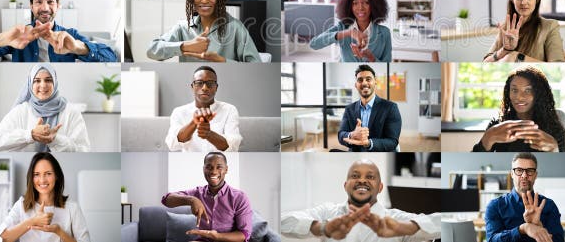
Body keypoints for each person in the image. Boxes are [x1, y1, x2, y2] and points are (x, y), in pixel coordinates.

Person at [281, 159, 440, 241]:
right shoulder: (327, 212)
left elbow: (449, 221)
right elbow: (281, 221)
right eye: (355, 176)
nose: (362, 180)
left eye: (370, 177)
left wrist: (408, 228)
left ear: (380, 187)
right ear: (345, 185)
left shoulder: (396, 219)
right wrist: (321, 228)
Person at [147, 0, 261, 62]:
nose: (204, 0)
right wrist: (185, 46)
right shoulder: (183, 27)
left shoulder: (236, 28)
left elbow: (256, 67)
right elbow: (152, 50)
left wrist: (223, 61)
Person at [0, 63, 91, 152]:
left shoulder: (71, 112)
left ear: (55, 83)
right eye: (37, 81)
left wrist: (55, 140)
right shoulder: (21, 111)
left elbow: (83, 150)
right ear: (30, 84)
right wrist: (30, 135)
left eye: (48, 80)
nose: (43, 85)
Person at [0, 153, 90, 242]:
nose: (42, 180)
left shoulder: (72, 208)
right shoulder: (22, 205)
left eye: (48, 174)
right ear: (31, 178)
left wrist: (59, 231)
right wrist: (33, 221)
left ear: (56, 176)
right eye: (36, 174)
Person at [161, 152, 253, 241]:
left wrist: (217, 236)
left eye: (219, 167)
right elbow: (166, 199)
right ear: (203, 169)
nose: (213, 171)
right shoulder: (197, 193)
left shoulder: (239, 197)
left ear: (226, 169)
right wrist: (192, 200)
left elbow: (244, 234)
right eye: (209, 167)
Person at [472, 66, 565, 152]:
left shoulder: (554, 126)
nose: (519, 97)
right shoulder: (498, 125)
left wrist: (554, 149)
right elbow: (476, 164)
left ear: (539, 93)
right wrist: (488, 138)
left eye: (528, 90)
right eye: (514, 90)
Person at [483, 0, 565, 62]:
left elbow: (557, 64)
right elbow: (485, 62)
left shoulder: (550, 26)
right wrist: (505, 50)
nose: (523, 2)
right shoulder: (505, 27)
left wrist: (517, 57)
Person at [485, 153, 564, 242]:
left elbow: (559, 240)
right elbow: (491, 240)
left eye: (530, 170)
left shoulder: (549, 205)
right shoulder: (495, 206)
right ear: (512, 174)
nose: (524, 175)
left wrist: (539, 225)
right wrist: (523, 229)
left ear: (535, 175)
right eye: (519, 170)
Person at [165, 66, 242, 152]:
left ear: (216, 87)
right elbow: (172, 144)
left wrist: (209, 134)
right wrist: (194, 122)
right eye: (199, 83)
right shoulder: (179, 112)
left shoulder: (229, 110)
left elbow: (233, 147)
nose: (205, 87)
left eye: (210, 83)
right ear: (192, 86)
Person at [309, 0, 392, 62]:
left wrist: (371, 57)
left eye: (366, 2)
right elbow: (314, 44)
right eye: (355, 3)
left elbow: (387, 64)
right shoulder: (342, 27)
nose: (360, 8)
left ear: (374, 5)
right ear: (349, 6)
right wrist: (349, 33)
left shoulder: (385, 33)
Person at [338, 64, 401, 152]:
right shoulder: (349, 109)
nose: (364, 83)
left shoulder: (390, 108)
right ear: (356, 85)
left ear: (375, 82)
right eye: (360, 80)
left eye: (368, 79)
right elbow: (340, 134)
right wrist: (352, 135)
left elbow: (392, 141)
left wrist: (368, 143)